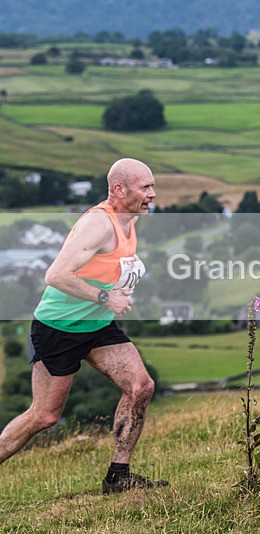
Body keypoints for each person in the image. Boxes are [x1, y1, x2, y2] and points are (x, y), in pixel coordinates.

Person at [0, 158, 168, 494]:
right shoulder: (99, 223)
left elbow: (105, 265)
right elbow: (56, 275)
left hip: (96, 326)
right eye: (145, 187)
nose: (152, 194)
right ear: (119, 190)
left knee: (141, 387)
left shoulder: (129, 220)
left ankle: (118, 477)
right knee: (44, 416)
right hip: (59, 328)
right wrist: (107, 297)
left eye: (152, 186)